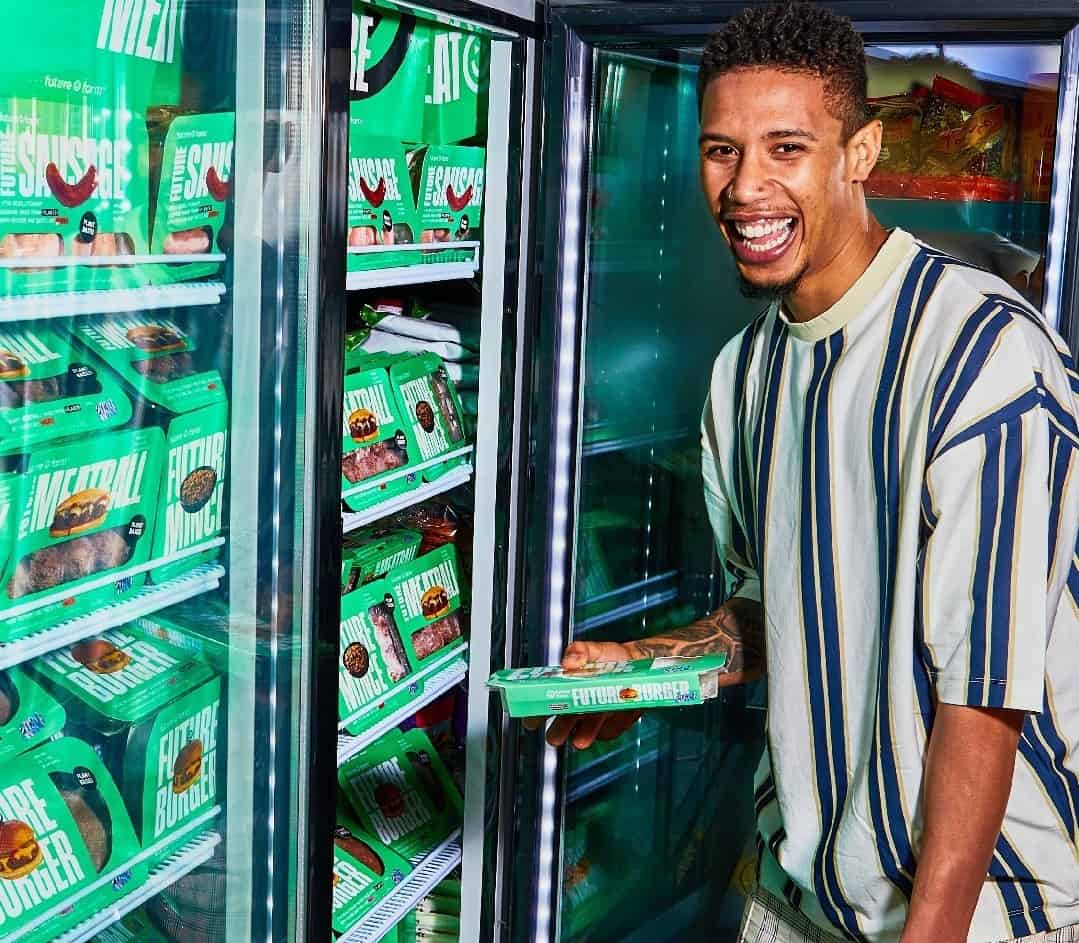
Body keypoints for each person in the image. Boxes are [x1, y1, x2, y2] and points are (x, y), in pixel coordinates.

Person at [531, 4, 1079, 942]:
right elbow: (768, 612)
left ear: (858, 153)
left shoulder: (980, 353)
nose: (745, 188)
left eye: (786, 147)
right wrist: (647, 671)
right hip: (791, 895)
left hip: (977, 912)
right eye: (721, 150)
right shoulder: (742, 375)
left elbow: (985, 689)